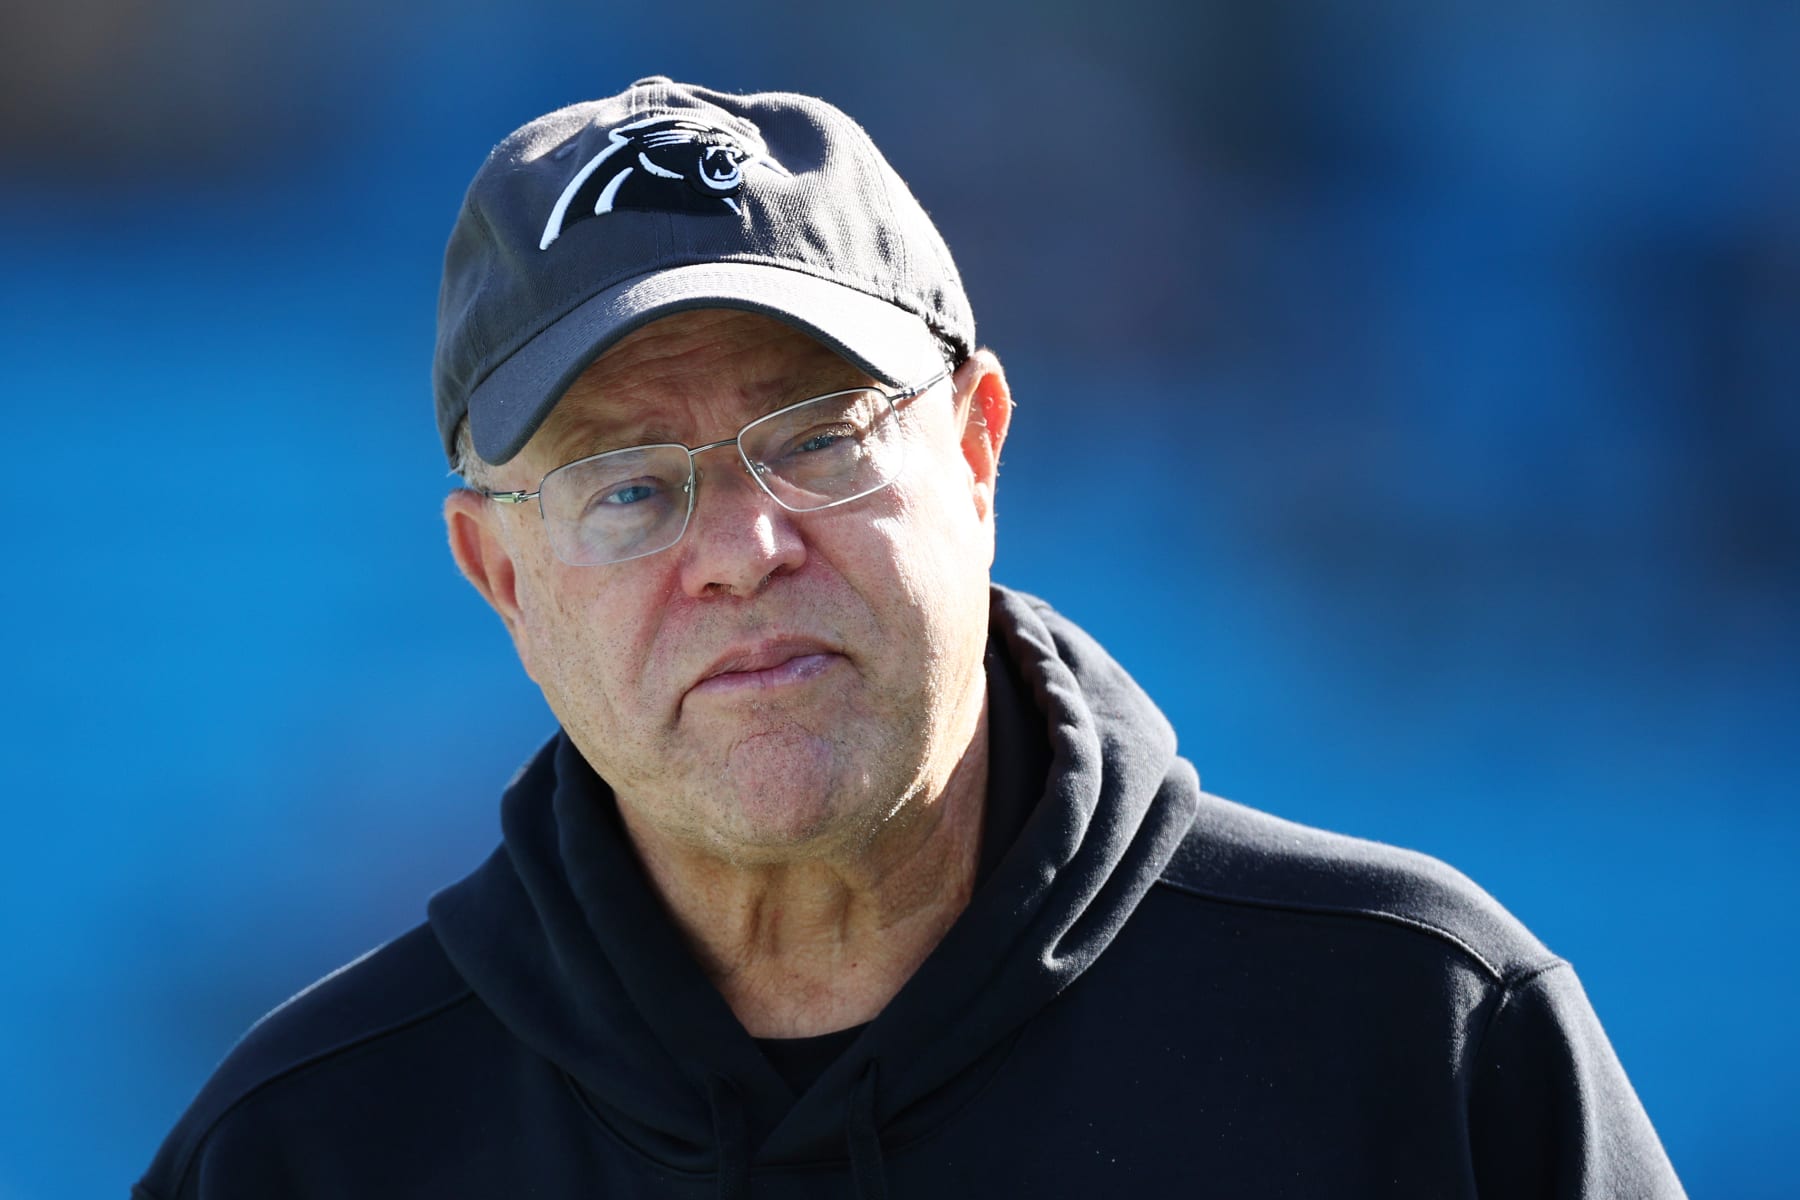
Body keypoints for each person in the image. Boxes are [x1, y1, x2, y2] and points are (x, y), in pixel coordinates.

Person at [137, 77, 1685, 1199]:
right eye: (628, 488)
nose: (744, 552)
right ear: (501, 578)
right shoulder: (308, 1150)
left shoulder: (1417, 1040)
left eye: (817, 439)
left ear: (979, 451)